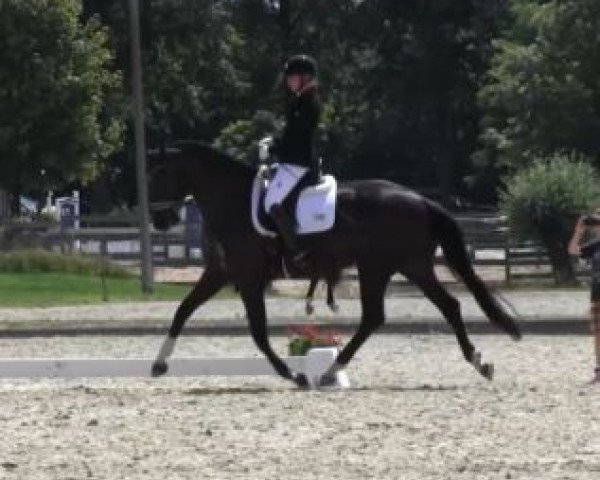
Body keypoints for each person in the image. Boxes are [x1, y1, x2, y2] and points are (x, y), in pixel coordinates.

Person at [264, 54, 322, 266]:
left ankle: (298, 249)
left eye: (292, 77)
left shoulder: (309, 102)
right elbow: (291, 133)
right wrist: (275, 143)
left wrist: (278, 147)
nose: (288, 81)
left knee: (272, 202)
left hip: (298, 162)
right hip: (292, 160)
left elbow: (298, 136)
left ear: (305, 77)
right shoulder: (300, 100)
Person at [567, 209, 600, 383]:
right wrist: (578, 231)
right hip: (597, 294)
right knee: (598, 334)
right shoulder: (595, 244)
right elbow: (573, 251)